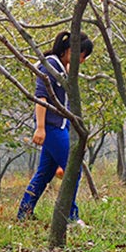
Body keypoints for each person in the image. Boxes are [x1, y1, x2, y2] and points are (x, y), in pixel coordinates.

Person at [17, 31, 94, 225]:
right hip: (52, 128)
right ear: (70, 51)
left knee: (44, 173)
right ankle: (70, 215)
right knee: (72, 170)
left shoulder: (61, 67)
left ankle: (24, 213)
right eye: (82, 55)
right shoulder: (50, 65)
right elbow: (40, 97)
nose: (83, 60)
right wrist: (40, 127)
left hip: (61, 126)